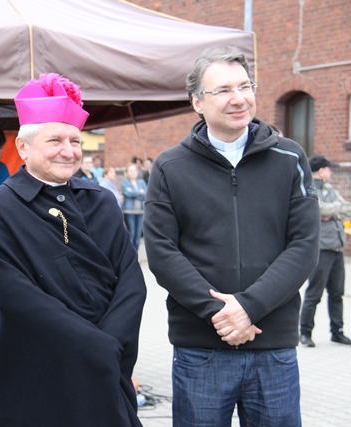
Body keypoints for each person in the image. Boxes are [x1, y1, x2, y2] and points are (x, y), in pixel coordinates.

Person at [143, 46, 320, 426]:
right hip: (201, 348)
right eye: (223, 90)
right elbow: (161, 251)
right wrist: (221, 314)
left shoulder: (290, 158)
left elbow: (304, 246)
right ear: (197, 102)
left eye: (244, 86)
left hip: (272, 345)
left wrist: (249, 307)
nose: (238, 98)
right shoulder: (170, 166)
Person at [0, 73, 147, 427]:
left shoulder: (102, 202)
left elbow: (131, 281)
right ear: (23, 147)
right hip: (34, 373)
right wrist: (95, 345)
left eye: (75, 140)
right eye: (55, 140)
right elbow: (18, 298)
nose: (68, 151)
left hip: (102, 369)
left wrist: (111, 344)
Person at [300, 155, 351, 347]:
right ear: (321, 171)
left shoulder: (330, 190)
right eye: (329, 169)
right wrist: (332, 211)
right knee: (314, 293)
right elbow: (319, 209)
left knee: (337, 293)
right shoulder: (309, 188)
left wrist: (332, 211)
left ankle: (337, 331)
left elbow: (348, 209)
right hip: (321, 249)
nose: (331, 173)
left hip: (337, 248)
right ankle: (305, 333)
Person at [121, 163, 147, 250]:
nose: (133, 172)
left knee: (138, 235)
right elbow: (127, 193)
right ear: (127, 173)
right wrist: (140, 192)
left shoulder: (141, 182)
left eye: (135, 170)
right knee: (131, 234)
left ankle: (136, 254)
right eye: (131, 171)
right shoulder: (125, 183)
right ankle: (130, 253)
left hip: (141, 212)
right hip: (129, 212)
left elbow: (146, 194)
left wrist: (134, 193)